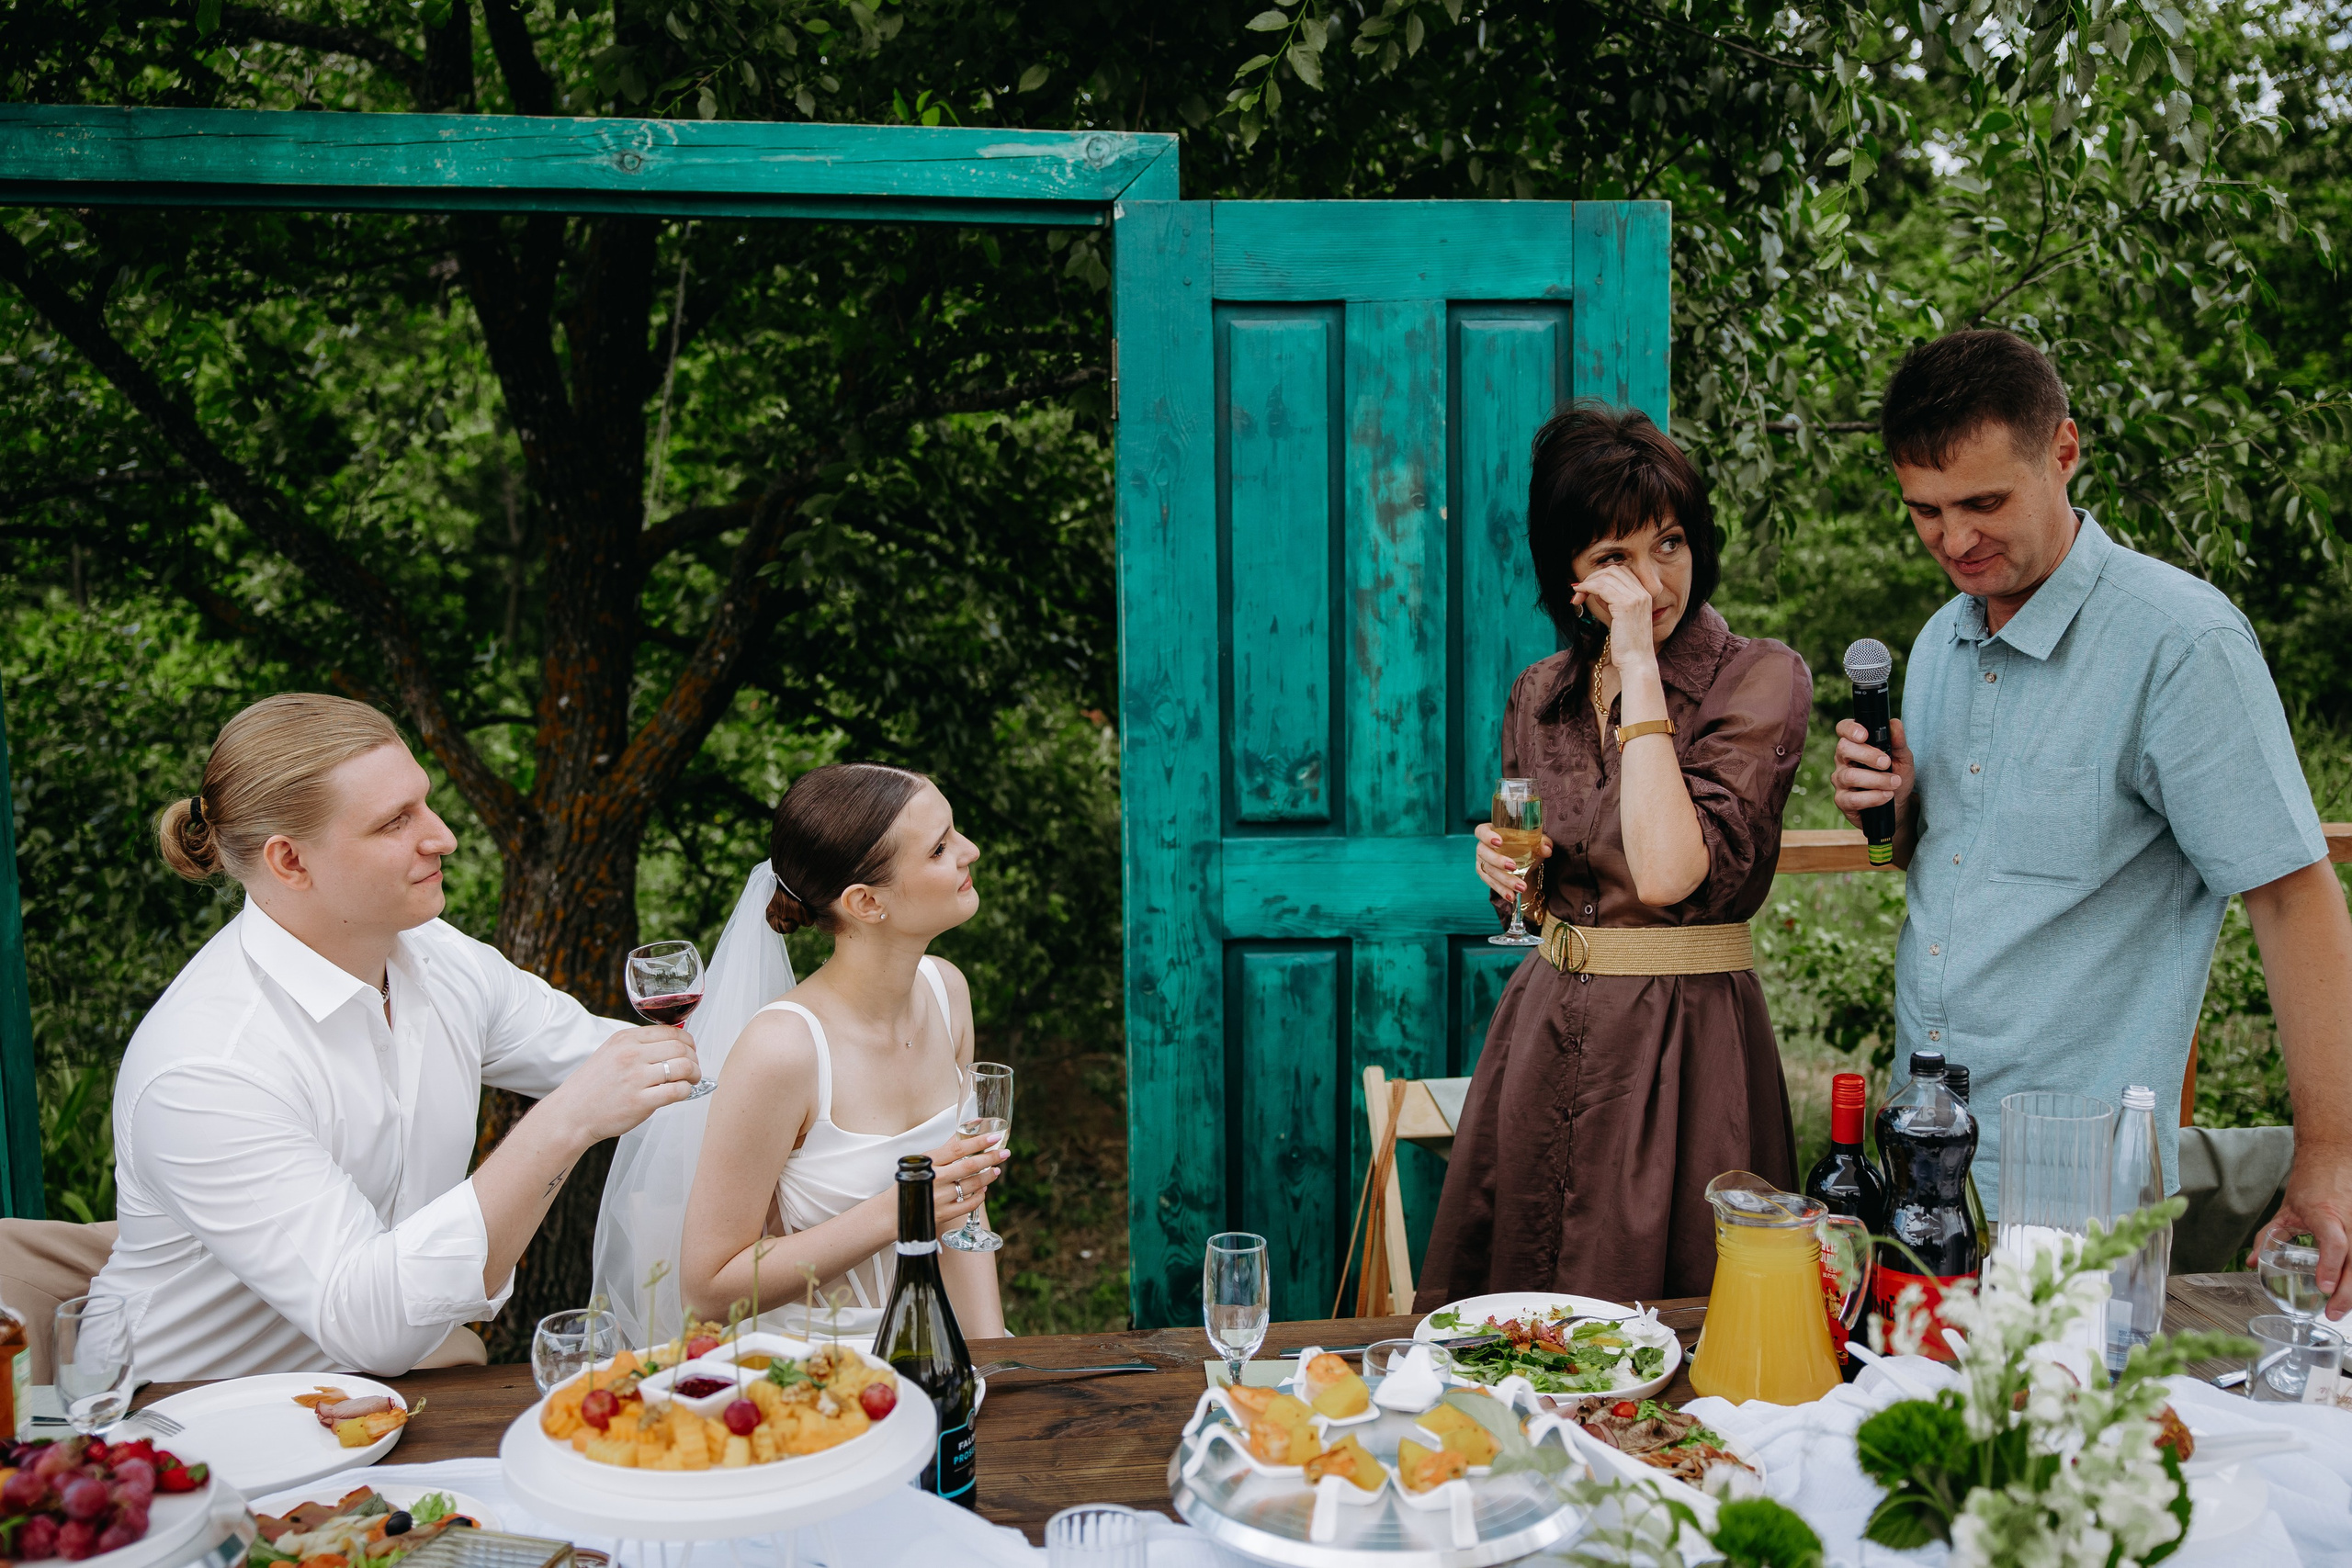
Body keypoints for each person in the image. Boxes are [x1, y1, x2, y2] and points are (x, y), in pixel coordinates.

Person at [1832, 329, 2352, 1320]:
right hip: (1924, 1177)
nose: (1952, 541)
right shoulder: (1942, 640)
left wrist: (2331, 1160)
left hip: (2075, 1196)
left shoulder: (2181, 643)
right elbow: (1971, 868)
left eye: (1983, 504)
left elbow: (2292, 898)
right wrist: (1899, 812)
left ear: (2062, 452)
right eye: (1924, 512)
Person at [92, 694, 702, 1380]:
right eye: (395, 822)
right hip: (175, 1423)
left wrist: (808, 1072)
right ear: (290, 861)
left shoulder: (435, 956)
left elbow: (613, 1057)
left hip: (369, 1394)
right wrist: (565, 1123)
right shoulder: (207, 1067)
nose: (442, 836)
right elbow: (371, 1325)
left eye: (425, 803)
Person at [1415, 405, 1814, 1305]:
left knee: (1676, 1318)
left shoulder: (1758, 677)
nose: (1651, 582)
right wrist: (1507, 877)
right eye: (1614, 558)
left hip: (1684, 1042)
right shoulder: (1540, 694)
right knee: (1520, 1308)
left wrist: (1637, 666)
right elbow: (1546, 891)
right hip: (1546, 1026)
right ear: (1568, 575)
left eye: (1668, 544)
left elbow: (1673, 872)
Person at [647, 763, 1008, 1340]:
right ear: (866, 902)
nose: (971, 851)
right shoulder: (783, 1051)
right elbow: (708, 1289)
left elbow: (961, 1200)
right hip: (819, 1380)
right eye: (940, 848)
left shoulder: (947, 993)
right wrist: (899, 1209)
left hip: (946, 1359)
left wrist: (990, 1349)